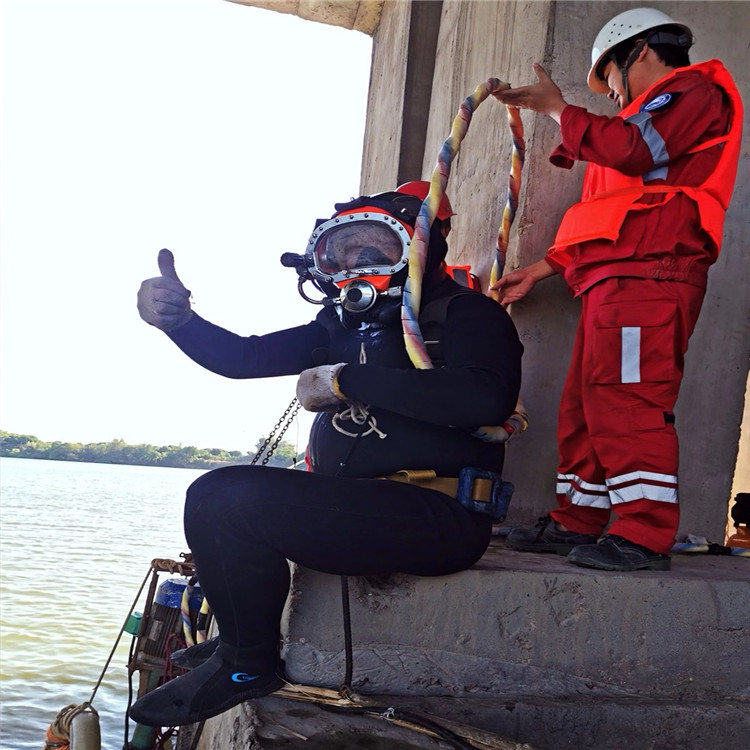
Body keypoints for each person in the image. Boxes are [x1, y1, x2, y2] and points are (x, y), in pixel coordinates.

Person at [129, 183, 523, 726]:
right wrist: (181, 324)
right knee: (221, 498)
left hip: (441, 516)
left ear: (421, 245)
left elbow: (484, 398)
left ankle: (247, 666)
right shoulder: (337, 325)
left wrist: (345, 380)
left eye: (372, 250)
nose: (353, 265)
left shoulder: (466, 315)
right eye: (337, 255)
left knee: (223, 499)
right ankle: (238, 644)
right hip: (360, 506)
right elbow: (244, 356)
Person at [492, 7, 742, 571]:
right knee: (587, 404)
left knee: (628, 398)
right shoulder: (642, 121)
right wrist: (542, 268)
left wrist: (559, 109)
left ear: (642, 52)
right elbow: (611, 216)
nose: (608, 92)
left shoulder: (694, 93)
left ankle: (644, 535)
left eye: (609, 76)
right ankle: (576, 519)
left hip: (653, 274)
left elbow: (631, 149)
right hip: (616, 276)